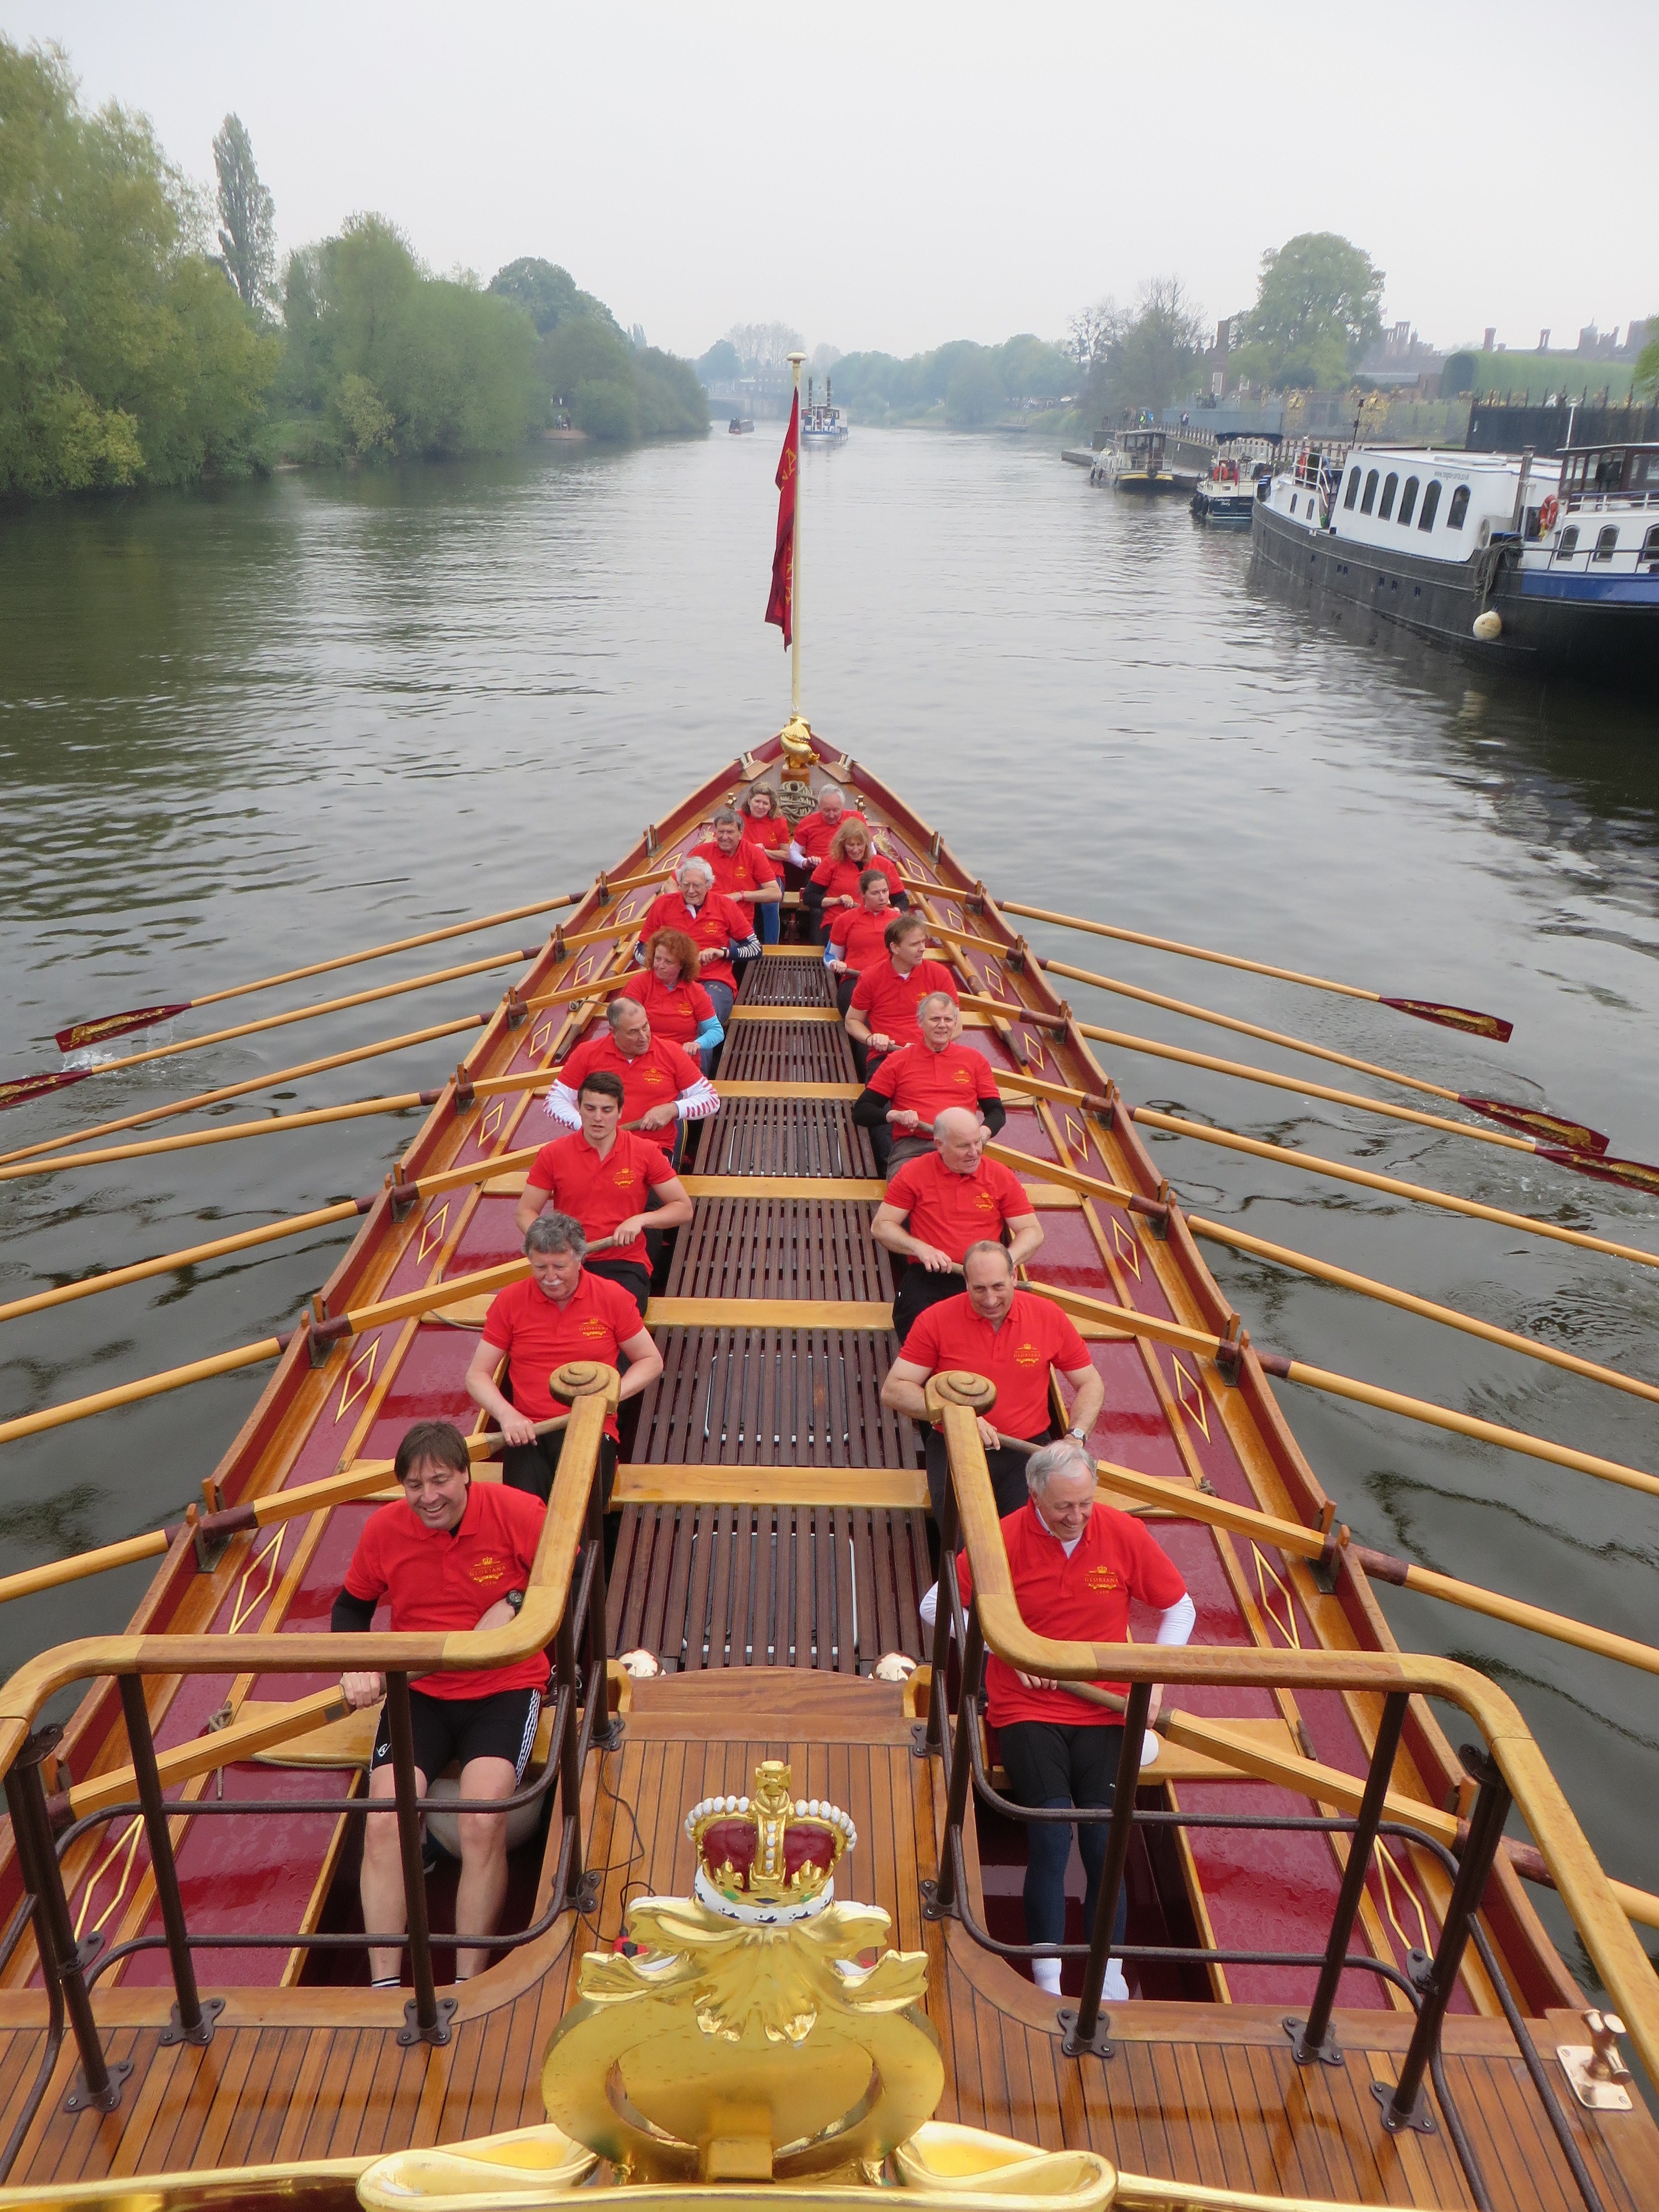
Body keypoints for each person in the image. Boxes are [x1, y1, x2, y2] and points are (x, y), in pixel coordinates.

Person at [936, 1439, 1194, 2002]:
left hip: (1105, 1707)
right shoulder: (1000, 1538)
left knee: (1105, 1838)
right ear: (1034, 1497)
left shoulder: (1121, 1531)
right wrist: (1001, 1653)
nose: (1077, 1517)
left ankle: (1109, 1973)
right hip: (1026, 1708)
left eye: (1085, 1503)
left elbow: (1180, 1609)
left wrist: (1153, 1686)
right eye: (1063, 1508)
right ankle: (1048, 1981)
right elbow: (940, 1607)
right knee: (1052, 1836)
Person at [332, 1419, 550, 1987]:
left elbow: (566, 1566)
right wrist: (356, 1661)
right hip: (420, 1689)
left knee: (482, 1821)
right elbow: (350, 1609)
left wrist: (515, 1598)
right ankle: (384, 1986)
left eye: (440, 1480)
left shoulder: (517, 1511)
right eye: (413, 1485)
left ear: (467, 1476)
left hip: (504, 1685)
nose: (428, 1496)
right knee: (383, 1821)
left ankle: (466, 1984)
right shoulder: (384, 1530)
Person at [880, 1241, 1103, 1521]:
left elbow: (1091, 1383)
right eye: (979, 1289)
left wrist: (1076, 1436)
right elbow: (894, 1389)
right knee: (963, 1533)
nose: (990, 1300)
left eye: (999, 1287)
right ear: (966, 1283)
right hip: (956, 1443)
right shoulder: (934, 1320)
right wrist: (958, 1416)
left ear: (1014, 1278)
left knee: (1030, 1534)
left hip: (1027, 1449)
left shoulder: (1049, 1316)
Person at [465, 1212, 662, 1506]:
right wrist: (508, 1416)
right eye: (540, 1267)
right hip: (528, 1431)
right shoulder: (509, 1301)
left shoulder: (612, 1297)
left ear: (581, 1258)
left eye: (560, 1266)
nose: (550, 1277)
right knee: (522, 1513)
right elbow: (476, 1376)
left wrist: (609, 1395)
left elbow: (651, 1361)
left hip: (592, 1426)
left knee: (577, 1511)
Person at [517, 1069, 693, 1316]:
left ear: (621, 1112)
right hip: (569, 1262)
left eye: (607, 1110)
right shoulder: (552, 1154)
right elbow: (525, 1211)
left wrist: (640, 1220)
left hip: (624, 1262)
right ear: (579, 1109)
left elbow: (683, 1208)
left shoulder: (646, 1152)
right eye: (590, 1109)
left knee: (614, 1328)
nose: (598, 1118)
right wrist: (552, 1248)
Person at [874, 1107, 1042, 1338]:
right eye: (964, 1146)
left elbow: (1032, 1231)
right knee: (917, 1329)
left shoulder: (1000, 1176)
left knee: (1015, 1335)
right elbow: (882, 1226)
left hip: (985, 1278)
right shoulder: (913, 1173)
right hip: (932, 1274)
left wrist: (1006, 1261)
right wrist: (922, 1249)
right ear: (939, 1145)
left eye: (977, 1143)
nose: (974, 1152)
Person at [546, 998, 718, 1167]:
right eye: (633, 1032)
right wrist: (587, 1125)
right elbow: (554, 1100)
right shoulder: (586, 1053)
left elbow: (711, 1100)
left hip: (654, 1151)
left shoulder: (671, 1052)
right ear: (614, 1032)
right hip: (598, 1148)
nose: (644, 1037)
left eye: (646, 1027)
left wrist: (673, 1109)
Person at [854, 990, 1004, 1173]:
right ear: (920, 1022)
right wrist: (896, 1115)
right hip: (913, 1148)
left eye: (948, 1020)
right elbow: (862, 1111)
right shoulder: (897, 1061)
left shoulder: (975, 1060)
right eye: (935, 1019)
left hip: (963, 1149)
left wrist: (984, 1132)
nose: (942, 1025)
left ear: (955, 1024)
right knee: (911, 1190)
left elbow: (996, 1112)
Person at [640, 857, 759, 1031]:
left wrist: (723, 953)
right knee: (646, 1021)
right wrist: (661, 963)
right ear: (679, 884)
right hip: (669, 981)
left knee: (701, 1022)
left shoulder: (726, 906)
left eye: (697, 885)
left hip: (713, 981)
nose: (691, 891)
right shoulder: (662, 905)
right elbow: (640, 948)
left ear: (709, 885)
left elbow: (755, 949)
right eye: (685, 885)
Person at [843, 913, 958, 1081]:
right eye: (914, 944)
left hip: (934, 1053)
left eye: (923, 942)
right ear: (895, 948)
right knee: (876, 1104)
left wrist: (925, 1046)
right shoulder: (871, 977)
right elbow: (852, 1021)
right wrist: (871, 1038)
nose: (923, 949)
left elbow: (957, 1025)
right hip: (887, 1055)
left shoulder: (939, 974)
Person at [629, 928, 724, 1070]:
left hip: (681, 1062)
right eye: (658, 959)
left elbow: (716, 1031)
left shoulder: (695, 991)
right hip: (645, 1059)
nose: (661, 966)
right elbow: (626, 1027)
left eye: (668, 962)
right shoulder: (638, 984)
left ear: (682, 965)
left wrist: (697, 1044)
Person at [691, 807, 784, 948]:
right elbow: (671, 884)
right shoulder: (701, 852)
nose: (724, 837)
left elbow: (775, 893)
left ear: (741, 833)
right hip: (703, 919)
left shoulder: (754, 853)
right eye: (721, 832)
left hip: (738, 924)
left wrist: (741, 896)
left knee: (726, 949)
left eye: (730, 832)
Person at [804, 818, 904, 942]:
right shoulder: (831, 863)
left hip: (876, 922)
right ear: (843, 845)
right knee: (858, 940)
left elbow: (901, 900)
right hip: (837, 922)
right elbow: (809, 897)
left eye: (860, 844)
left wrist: (895, 911)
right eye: (851, 845)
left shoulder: (884, 865)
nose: (855, 850)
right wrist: (838, 900)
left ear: (867, 844)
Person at [823, 870, 894, 1013]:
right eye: (875, 893)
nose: (882, 898)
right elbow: (830, 956)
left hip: (890, 981)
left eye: (885, 891)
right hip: (855, 980)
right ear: (863, 894)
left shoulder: (898, 920)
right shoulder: (845, 920)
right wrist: (835, 963)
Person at [788, 782, 864, 870]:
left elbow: (870, 849)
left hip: (851, 869)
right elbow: (793, 851)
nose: (831, 815)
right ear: (820, 807)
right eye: (827, 810)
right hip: (818, 871)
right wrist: (805, 862)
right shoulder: (807, 823)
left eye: (836, 810)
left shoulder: (856, 819)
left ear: (842, 806)